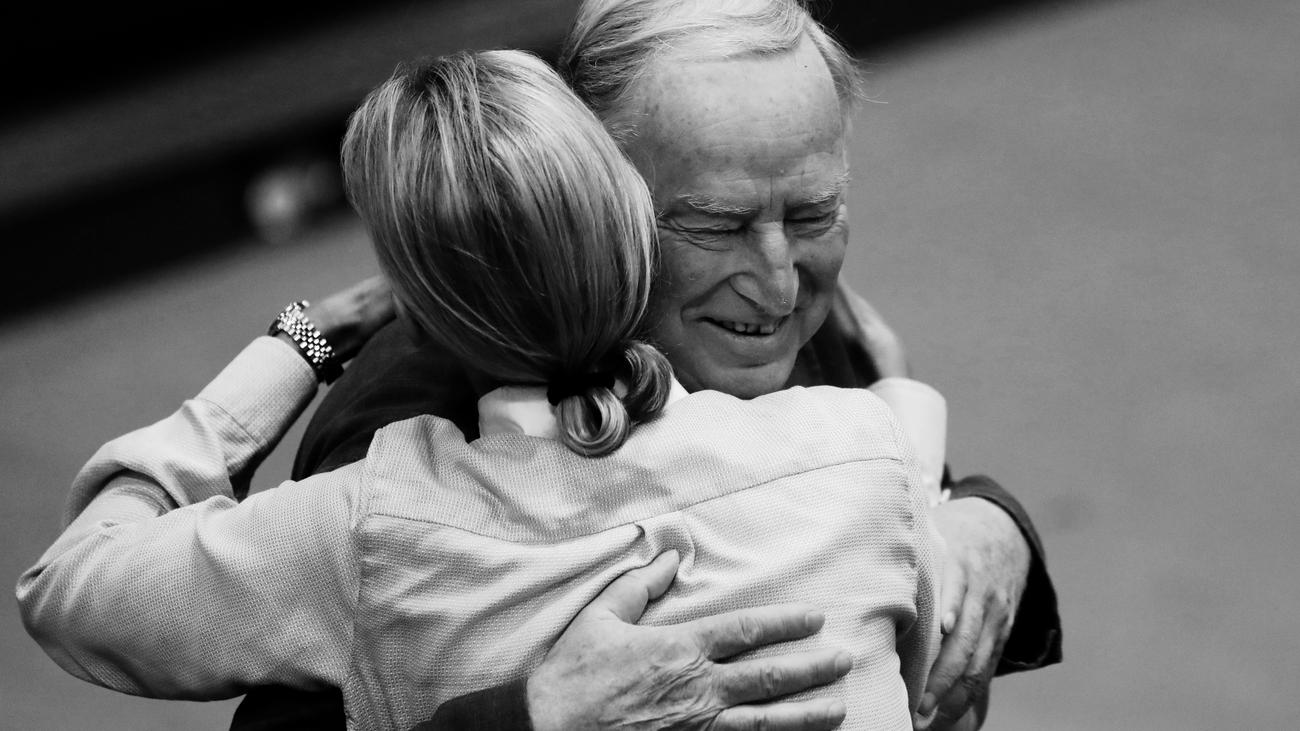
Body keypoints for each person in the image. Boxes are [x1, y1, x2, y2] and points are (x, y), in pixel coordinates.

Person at [18, 49, 945, 731]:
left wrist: (296, 342)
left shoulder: (371, 526)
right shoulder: (869, 447)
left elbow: (71, 585)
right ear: (636, 230)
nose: (778, 275)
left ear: (419, 309)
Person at [234, 2, 1062, 730]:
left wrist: (993, 527)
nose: (779, 282)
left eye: (813, 211)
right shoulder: (399, 427)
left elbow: (919, 542)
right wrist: (527, 720)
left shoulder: (800, 323)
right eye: (717, 225)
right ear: (594, 196)